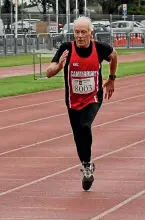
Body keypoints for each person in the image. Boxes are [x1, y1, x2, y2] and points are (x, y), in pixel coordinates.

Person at [45, 16, 118, 191]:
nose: (79, 35)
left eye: (83, 32)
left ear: (91, 33)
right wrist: (59, 66)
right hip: (72, 99)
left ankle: (86, 165)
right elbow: (48, 72)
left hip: (93, 96)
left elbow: (114, 55)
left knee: (85, 125)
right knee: (78, 135)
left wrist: (112, 78)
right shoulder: (66, 49)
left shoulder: (100, 48)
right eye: (76, 32)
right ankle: (87, 165)